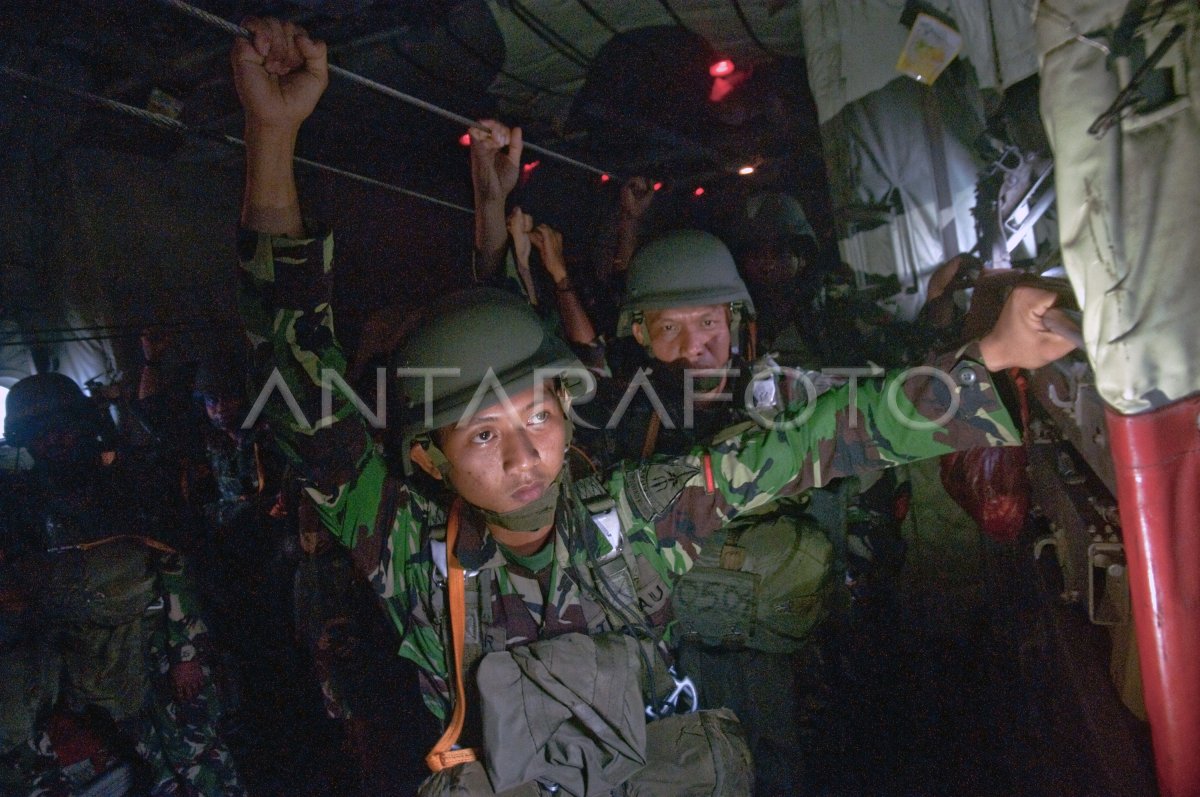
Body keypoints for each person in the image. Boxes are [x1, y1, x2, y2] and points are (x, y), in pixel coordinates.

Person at [230, 17, 1074, 795]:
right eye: (484, 434)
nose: (524, 456)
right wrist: (273, 136)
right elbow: (305, 396)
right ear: (428, 456)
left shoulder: (635, 515)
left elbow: (812, 443)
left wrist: (991, 355)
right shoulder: (408, 551)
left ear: (568, 410)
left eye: (539, 418)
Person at [1, 373, 244, 797]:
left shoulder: (131, 481)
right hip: (104, 670)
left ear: (81, 424)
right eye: (40, 434)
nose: (53, 440)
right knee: (156, 768)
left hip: (162, 647)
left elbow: (178, 561)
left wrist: (184, 652)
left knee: (202, 761)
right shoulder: (26, 507)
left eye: (61, 428)